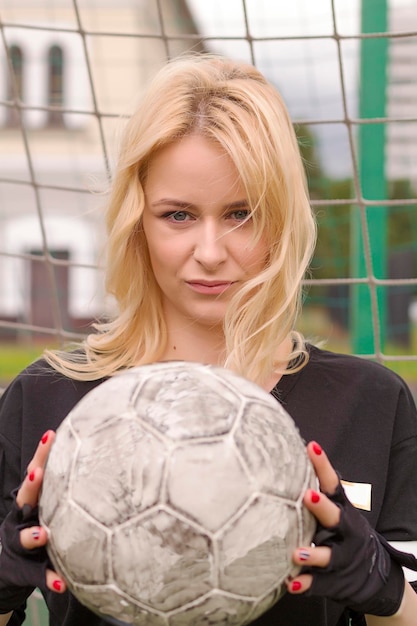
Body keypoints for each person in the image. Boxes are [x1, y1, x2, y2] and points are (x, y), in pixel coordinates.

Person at [0, 54, 417, 626]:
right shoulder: (47, 401)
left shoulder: (371, 401)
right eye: (178, 215)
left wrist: (381, 584)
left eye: (242, 214)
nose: (211, 251)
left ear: (283, 219)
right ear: (136, 220)